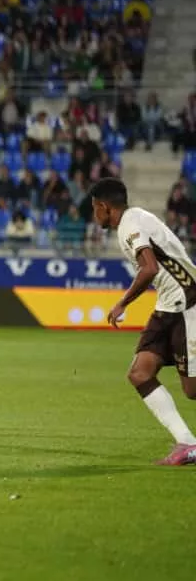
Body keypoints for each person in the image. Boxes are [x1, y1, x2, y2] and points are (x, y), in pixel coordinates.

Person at [91, 177, 196, 465]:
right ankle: (187, 443)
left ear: (103, 206)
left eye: (94, 209)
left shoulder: (130, 224)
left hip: (187, 301)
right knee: (140, 373)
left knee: (192, 389)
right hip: (168, 303)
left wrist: (123, 302)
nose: (94, 216)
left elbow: (148, 269)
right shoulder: (135, 219)